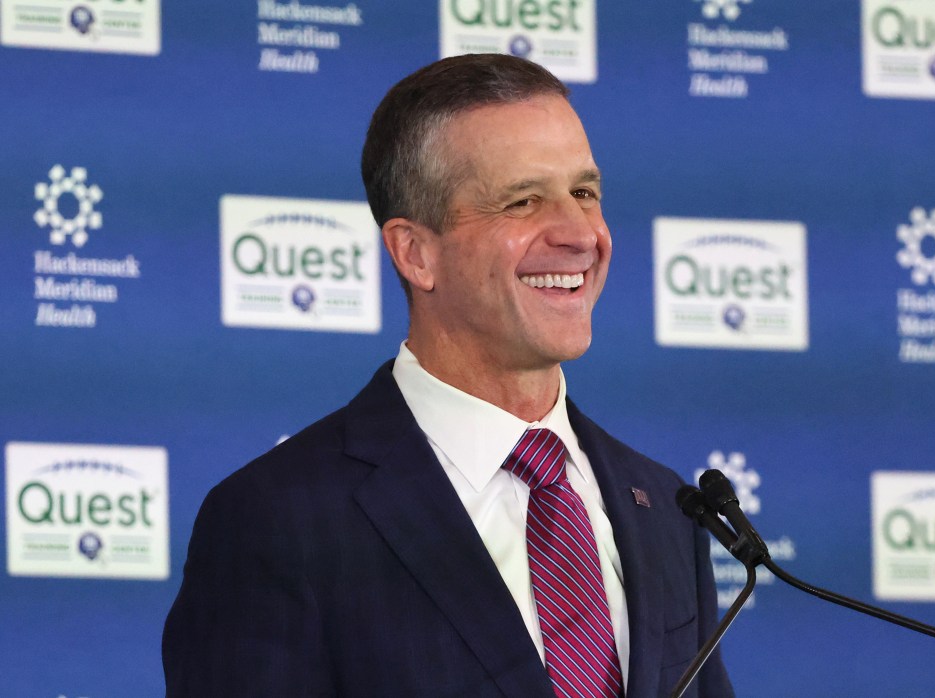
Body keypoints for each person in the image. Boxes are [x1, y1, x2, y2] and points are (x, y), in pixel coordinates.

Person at [163, 53, 732, 698]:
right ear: (416, 252)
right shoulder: (279, 523)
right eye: (523, 200)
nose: (579, 233)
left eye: (584, 193)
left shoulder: (667, 511)